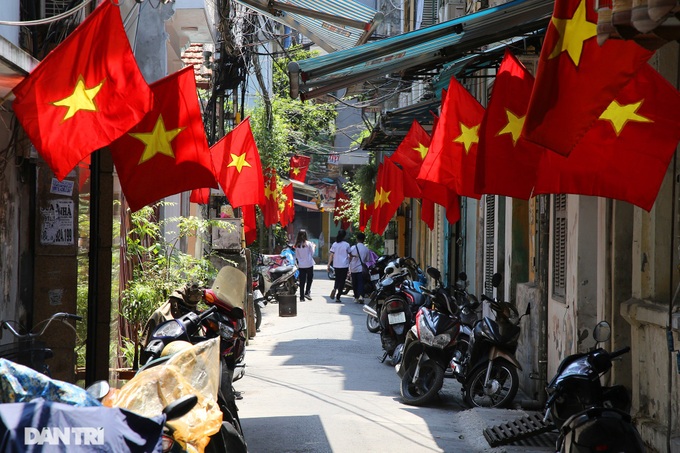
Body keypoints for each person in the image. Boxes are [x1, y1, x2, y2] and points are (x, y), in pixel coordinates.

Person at [140, 281, 203, 363]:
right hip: (164, 361)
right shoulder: (161, 315)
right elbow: (147, 349)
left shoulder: (194, 317)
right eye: (183, 306)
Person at [327, 229, 350, 303]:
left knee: (337, 279)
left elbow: (331, 255)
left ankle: (335, 288)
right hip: (344, 265)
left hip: (336, 265)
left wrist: (328, 264)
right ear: (344, 236)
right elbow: (350, 255)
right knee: (342, 281)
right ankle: (338, 296)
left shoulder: (334, 244)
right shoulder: (346, 245)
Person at [348, 232, 371, 304]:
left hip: (353, 268)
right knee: (361, 283)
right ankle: (361, 296)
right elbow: (367, 260)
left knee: (354, 283)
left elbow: (349, 258)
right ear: (363, 240)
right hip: (361, 269)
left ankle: (356, 297)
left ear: (357, 239)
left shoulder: (353, 248)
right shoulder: (366, 249)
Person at [294, 229, 316, 302]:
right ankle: (307, 292)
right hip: (309, 264)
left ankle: (301, 297)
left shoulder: (296, 245)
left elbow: (296, 256)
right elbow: (312, 253)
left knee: (302, 281)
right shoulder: (309, 243)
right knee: (310, 279)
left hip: (301, 265)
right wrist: (314, 247)